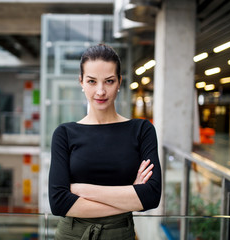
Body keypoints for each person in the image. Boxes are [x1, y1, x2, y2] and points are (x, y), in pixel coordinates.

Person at [48, 44, 162, 240]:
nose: (100, 91)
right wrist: (130, 194)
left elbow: (151, 196)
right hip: (71, 235)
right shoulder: (64, 133)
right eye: (92, 81)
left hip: (120, 234)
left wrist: (81, 190)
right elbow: (59, 203)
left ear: (119, 82)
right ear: (81, 82)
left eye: (109, 81)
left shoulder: (141, 130)